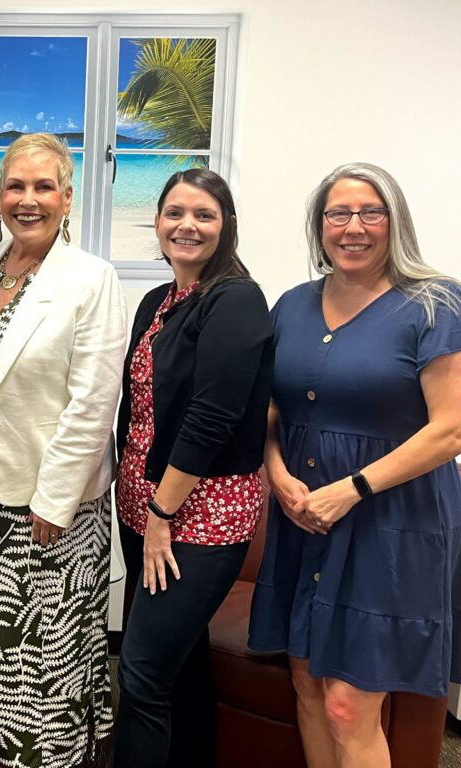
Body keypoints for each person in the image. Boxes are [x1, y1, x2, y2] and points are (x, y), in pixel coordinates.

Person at [248, 163, 461, 766]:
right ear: (320, 227)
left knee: (348, 704)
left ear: (396, 222)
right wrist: (278, 473)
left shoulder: (434, 303)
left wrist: (353, 488)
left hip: (392, 524)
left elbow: (450, 429)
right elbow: (270, 412)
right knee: (308, 687)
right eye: (338, 214)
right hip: (304, 516)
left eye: (371, 212)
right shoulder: (291, 305)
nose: (354, 227)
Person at [0, 133, 127, 768]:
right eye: (16, 185)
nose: (28, 199)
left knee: (39, 649)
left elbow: (94, 401)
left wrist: (56, 499)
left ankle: (41, 756)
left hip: (49, 504)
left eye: (44, 187)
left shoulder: (92, 278)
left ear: (67, 198)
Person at [113, 168, 274, 768]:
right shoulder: (160, 301)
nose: (187, 225)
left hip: (195, 521)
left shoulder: (236, 299)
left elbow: (212, 418)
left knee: (142, 672)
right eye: (175, 212)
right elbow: (140, 409)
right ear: (156, 222)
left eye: (204, 215)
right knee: (182, 663)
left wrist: (161, 512)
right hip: (143, 512)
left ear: (226, 226)